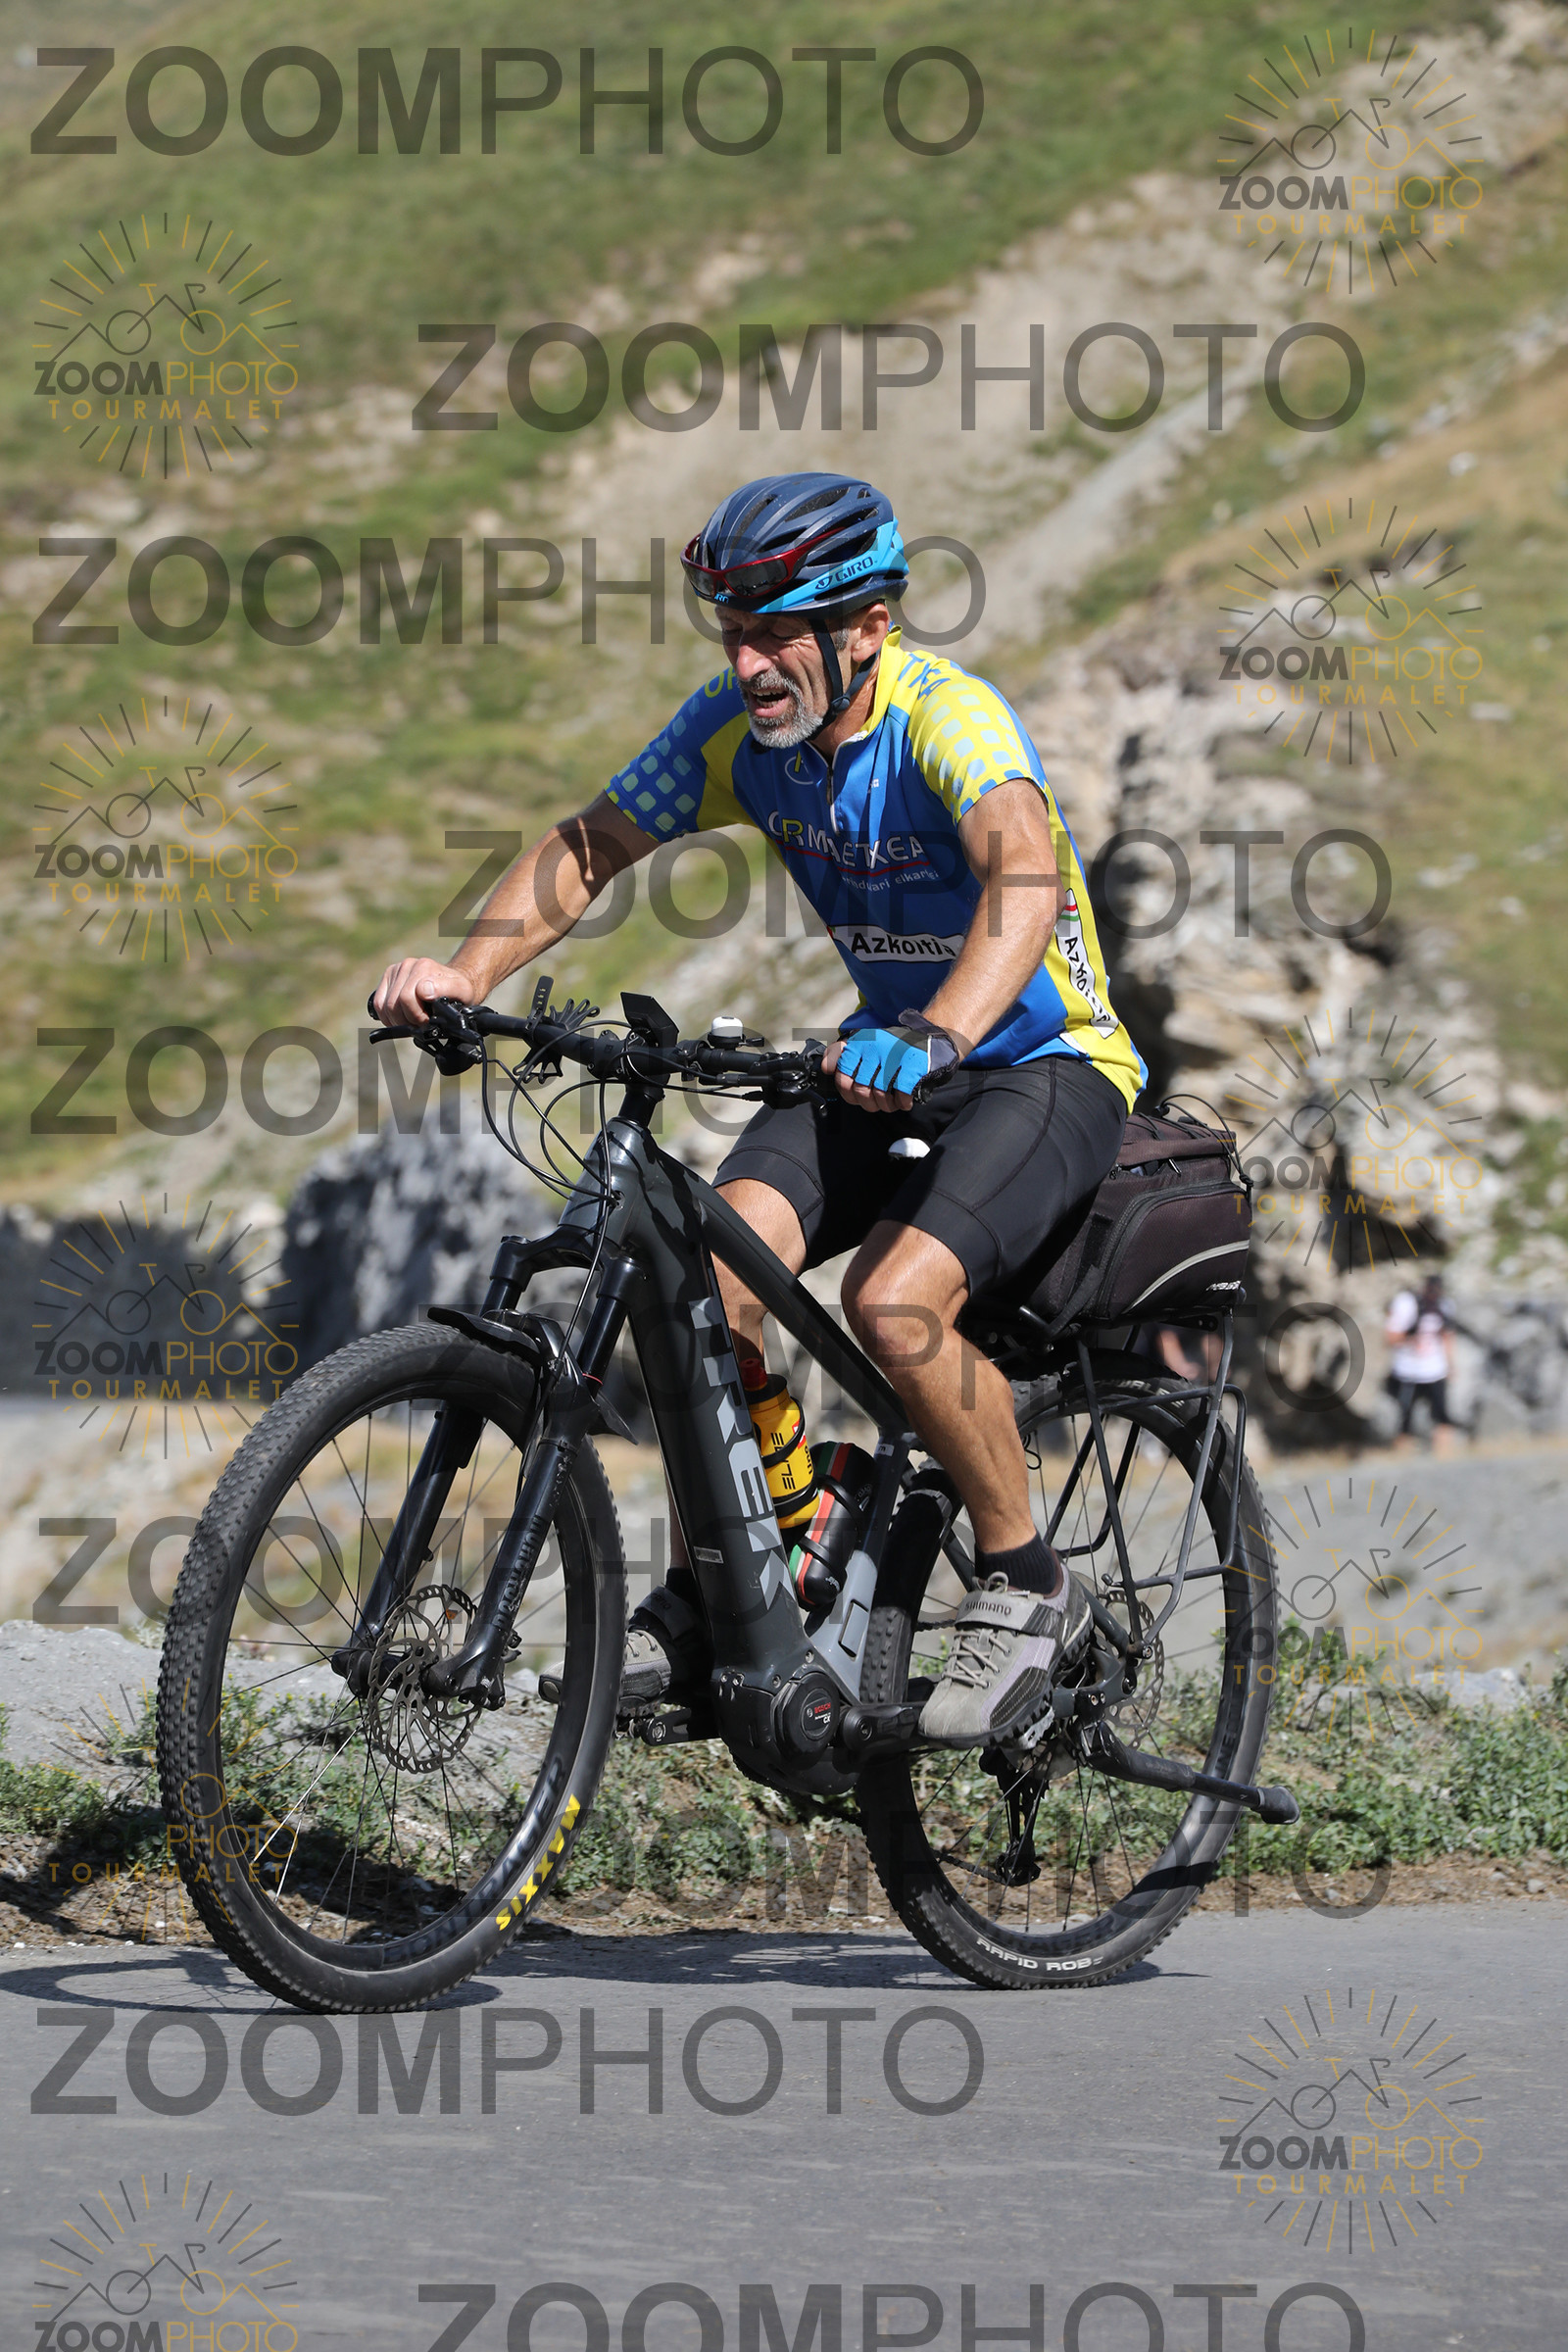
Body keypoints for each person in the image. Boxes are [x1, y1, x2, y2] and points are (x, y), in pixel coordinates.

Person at [373, 471, 1145, 1749]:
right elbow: (590, 846)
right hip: (878, 1063)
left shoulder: (948, 719)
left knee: (893, 1305)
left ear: (868, 628)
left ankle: (1028, 1582)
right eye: (731, 634)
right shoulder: (735, 733)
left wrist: (940, 1030)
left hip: (1038, 1064)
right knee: (702, 1281)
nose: (746, 665)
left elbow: (1023, 880)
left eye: (775, 635)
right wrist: (468, 974)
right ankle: (736, 1580)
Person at [1385, 1273, 1458, 1451]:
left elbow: (1447, 1336)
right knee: (1404, 1420)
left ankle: (1443, 1457)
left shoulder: (1445, 1305)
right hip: (1407, 1372)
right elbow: (1389, 1337)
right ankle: (1403, 1455)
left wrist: (1451, 1365)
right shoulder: (1405, 1303)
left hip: (1435, 1371)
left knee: (1442, 1417)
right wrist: (1410, 1340)